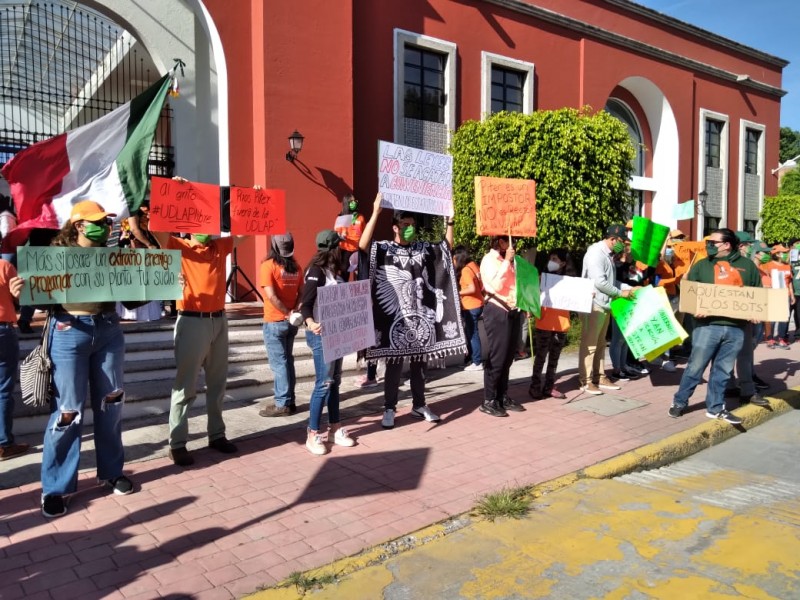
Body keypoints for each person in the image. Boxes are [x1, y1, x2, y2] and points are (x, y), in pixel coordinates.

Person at [40, 201, 134, 518]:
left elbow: (135, 298)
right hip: (68, 332)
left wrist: (164, 285)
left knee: (112, 402)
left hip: (108, 330)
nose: (106, 226)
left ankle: (111, 472)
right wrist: (18, 290)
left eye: (107, 222)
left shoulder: (113, 258)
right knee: (68, 410)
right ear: (79, 225)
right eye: (98, 221)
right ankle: (56, 487)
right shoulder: (54, 256)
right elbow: (39, 297)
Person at [151, 200, 244, 467]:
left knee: (217, 383)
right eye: (200, 225)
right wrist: (172, 196)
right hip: (192, 321)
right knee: (186, 385)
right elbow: (155, 228)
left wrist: (249, 201)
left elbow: (245, 234)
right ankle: (177, 443)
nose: (206, 230)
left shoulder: (219, 247)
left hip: (219, 321)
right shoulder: (178, 247)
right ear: (188, 228)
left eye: (209, 225)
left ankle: (216, 434)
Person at [358, 193, 462, 430]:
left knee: (420, 367)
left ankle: (419, 404)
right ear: (395, 227)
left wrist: (451, 221)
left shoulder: (423, 249)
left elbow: (445, 249)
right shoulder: (383, 249)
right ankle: (389, 408)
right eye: (404, 225)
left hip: (420, 321)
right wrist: (375, 212)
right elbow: (362, 246)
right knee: (394, 368)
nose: (409, 229)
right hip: (395, 322)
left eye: (412, 226)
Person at [668, 228, 766, 424]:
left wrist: (757, 312)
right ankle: (680, 402)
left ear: (727, 245)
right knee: (695, 367)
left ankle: (715, 407)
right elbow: (690, 294)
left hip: (736, 328)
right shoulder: (701, 265)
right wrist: (696, 308)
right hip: (706, 327)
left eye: (713, 243)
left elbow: (758, 294)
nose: (709, 246)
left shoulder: (748, 266)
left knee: (722, 370)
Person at [300, 229, 356, 455]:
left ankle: (335, 428)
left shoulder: (335, 273)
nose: (342, 249)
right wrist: (311, 323)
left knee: (335, 382)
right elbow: (305, 303)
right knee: (323, 383)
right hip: (321, 335)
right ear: (332, 249)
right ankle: (312, 433)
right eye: (339, 247)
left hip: (337, 335)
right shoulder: (316, 271)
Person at [578, 224, 636, 395]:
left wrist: (629, 288)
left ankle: (599, 375)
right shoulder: (596, 253)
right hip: (593, 304)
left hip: (604, 304)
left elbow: (609, 281)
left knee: (601, 343)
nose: (624, 246)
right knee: (590, 344)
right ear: (612, 239)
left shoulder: (609, 255)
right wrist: (620, 293)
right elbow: (599, 282)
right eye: (622, 242)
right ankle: (586, 380)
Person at [479, 235, 525, 416]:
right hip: (497, 310)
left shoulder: (514, 261)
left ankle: (502, 396)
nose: (514, 245)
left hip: (514, 309)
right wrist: (507, 262)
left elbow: (516, 286)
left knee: (508, 358)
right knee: (497, 358)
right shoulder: (489, 260)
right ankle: (489, 400)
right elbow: (496, 285)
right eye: (510, 241)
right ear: (500, 242)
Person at [258, 233, 302, 417]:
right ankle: (289, 401)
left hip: (275, 321)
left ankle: (282, 403)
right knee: (288, 361)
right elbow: (302, 294)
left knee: (279, 363)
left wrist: (285, 312)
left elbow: (271, 296)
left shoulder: (268, 266)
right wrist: (293, 312)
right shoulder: (297, 268)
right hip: (291, 323)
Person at [529, 249, 572, 400]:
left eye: (555, 259)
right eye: (550, 258)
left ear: (563, 263)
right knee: (540, 357)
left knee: (554, 359)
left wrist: (586, 295)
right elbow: (532, 295)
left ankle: (549, 387)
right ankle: (534, 387)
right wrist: (529, 309)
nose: (551, 261)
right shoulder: (542, 278)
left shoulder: (570, 282)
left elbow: (578, 298)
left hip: (561, 323)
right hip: (544, 322)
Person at [0, 254, 27, 461]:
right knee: (3, 389)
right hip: (3, 330)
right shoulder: (4, 267)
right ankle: (3, 443)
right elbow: (20, 298)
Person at [453, 245, 484, 372]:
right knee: (471, 332)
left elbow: (472, 288)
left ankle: (477, 362)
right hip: (477, 303)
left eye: (454, 259)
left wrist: (457, 292)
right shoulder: (473, 265)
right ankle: (472, 360)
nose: (453, 261)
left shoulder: (466, 270)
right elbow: (481, 285)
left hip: (471, 306)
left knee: (472, 334)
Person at [764, 244, 793, 349]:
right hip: (773, 294)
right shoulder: (768, 265)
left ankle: (781, 339)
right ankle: (770, 339)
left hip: (786, 295)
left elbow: (789, 282)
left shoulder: (787, 266)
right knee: (772, 318)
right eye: (784, 253)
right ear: (777, 254)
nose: (786, 254)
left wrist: (792, 295)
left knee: (784, 318)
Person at [335, 194, 365, 279]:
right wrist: (341, 236)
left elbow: (365, 233)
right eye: (351, 201)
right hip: (345, 250)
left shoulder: (360, 217)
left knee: (361, 275)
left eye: (354, 201)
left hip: (358, 250)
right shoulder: (341, 217)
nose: (354, 203)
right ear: (346, 203)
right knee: (344, 275)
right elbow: (336, 233)